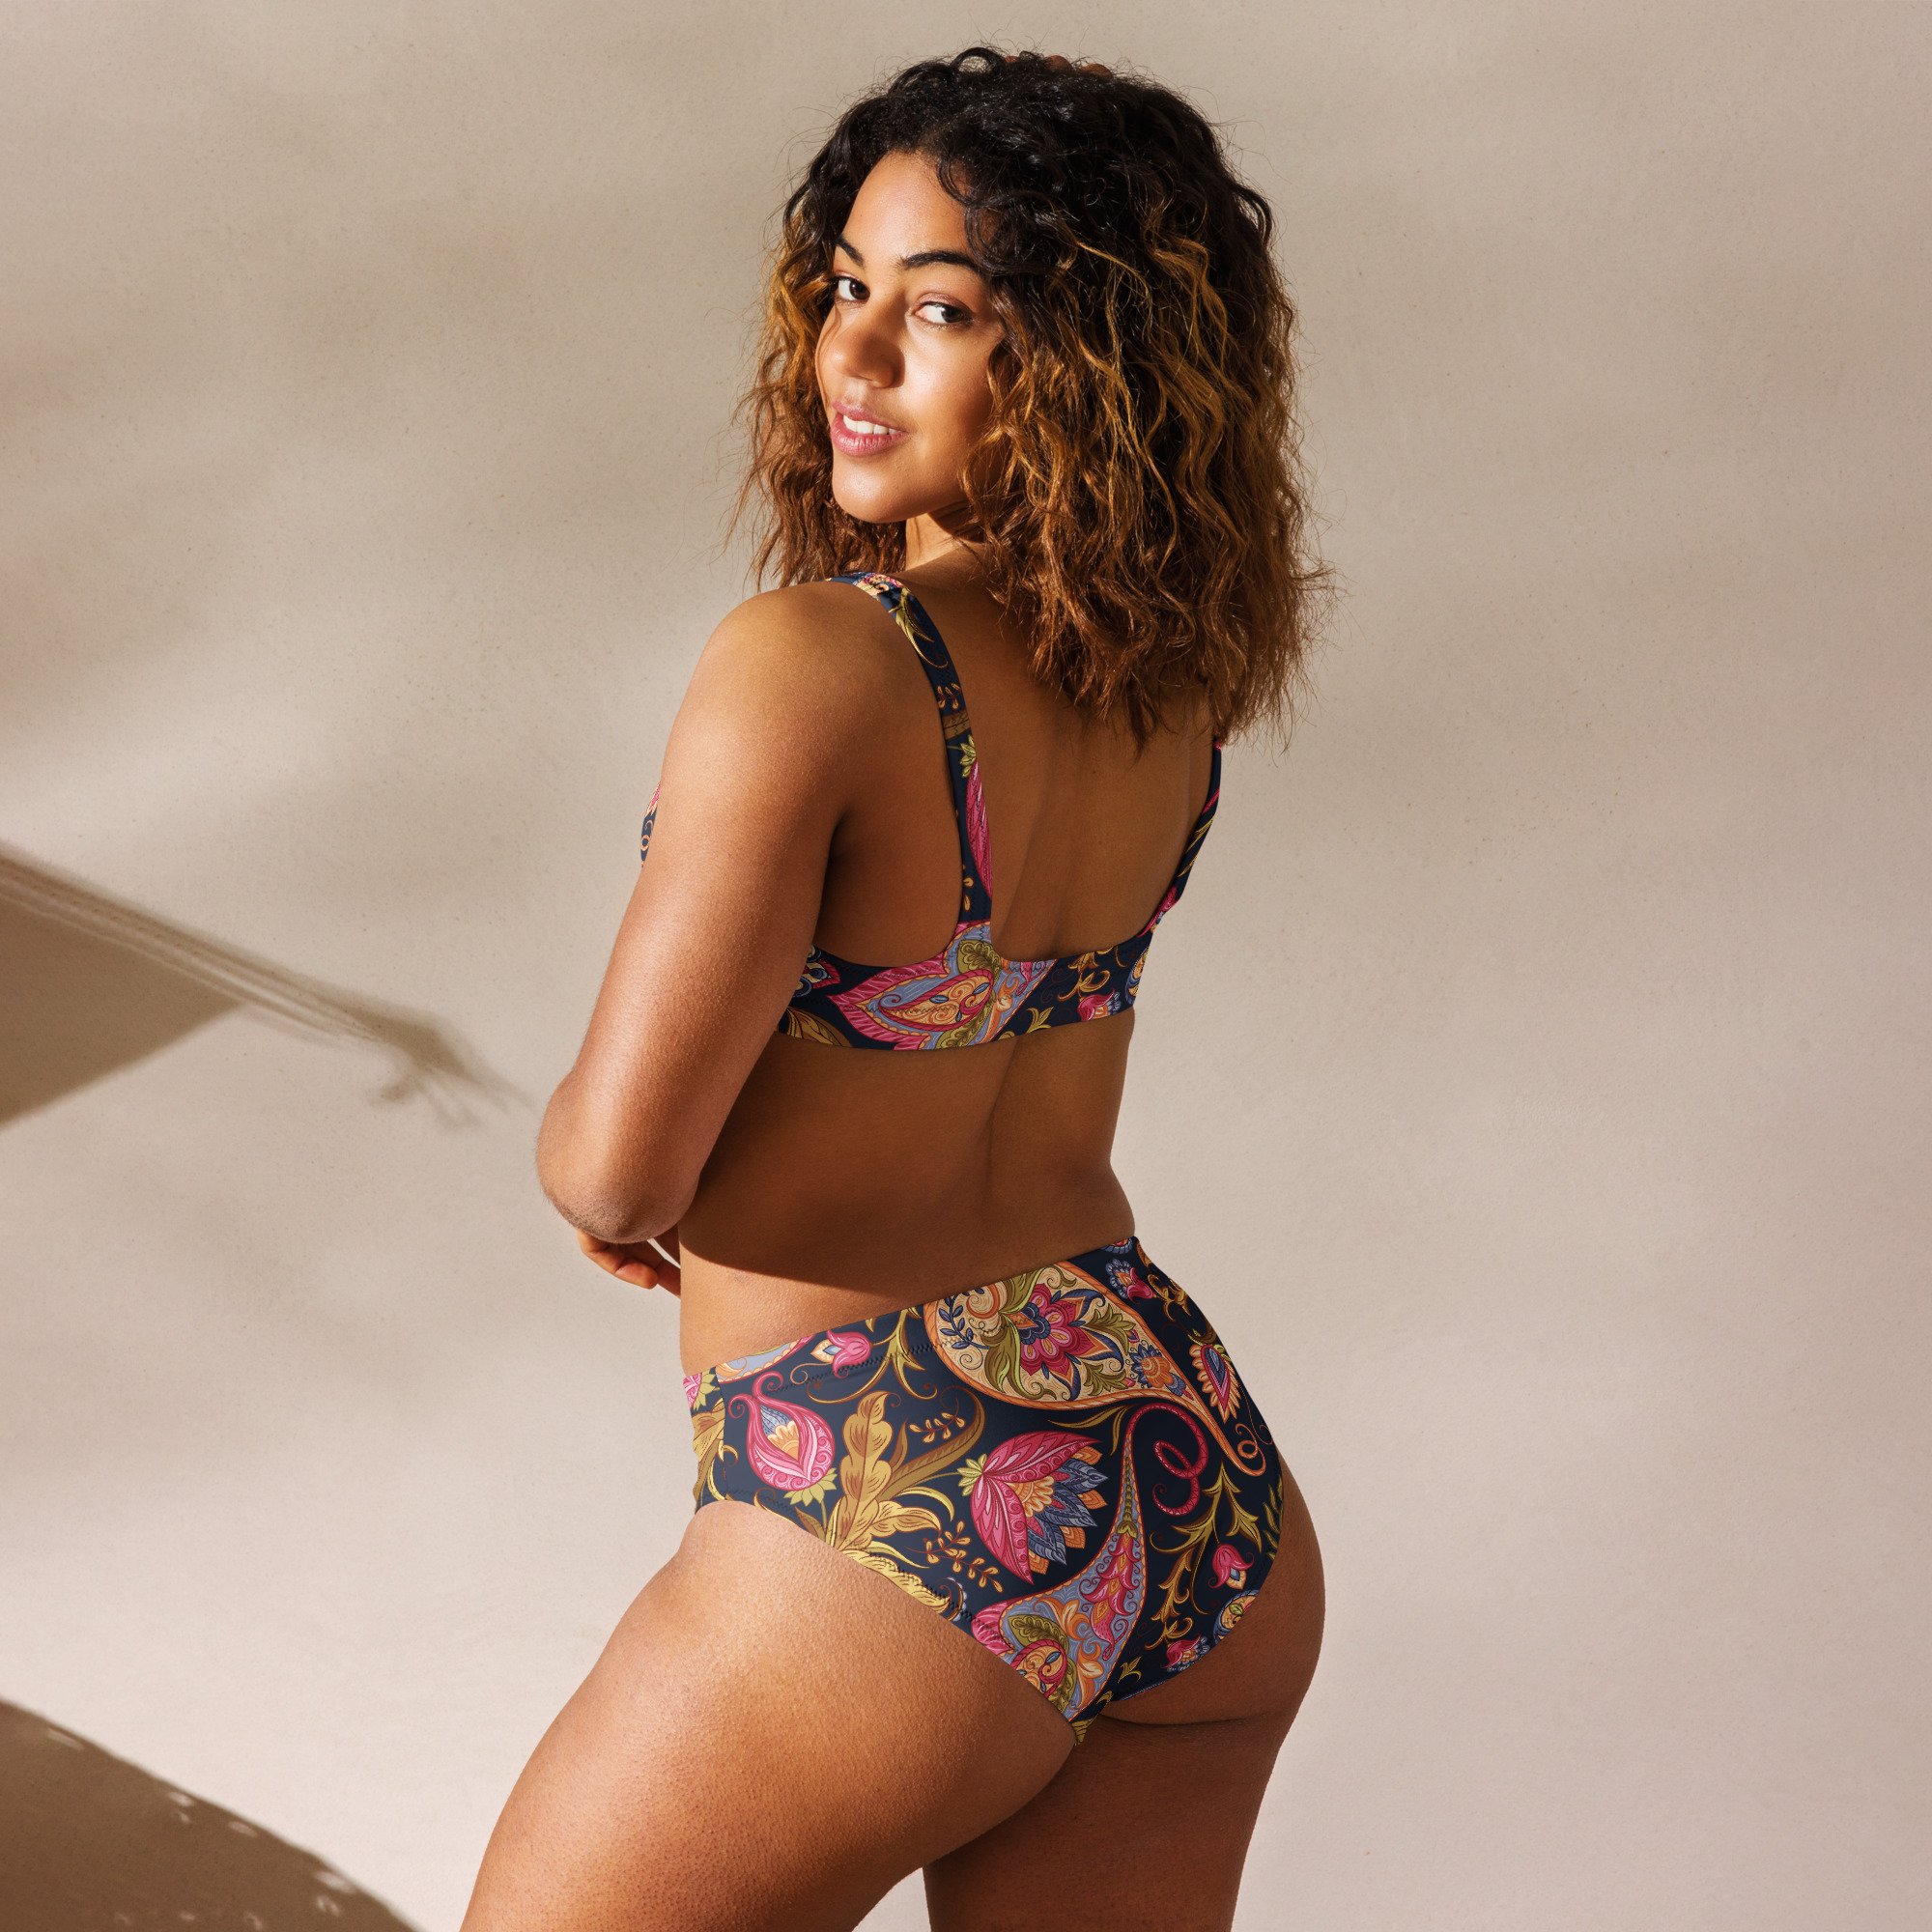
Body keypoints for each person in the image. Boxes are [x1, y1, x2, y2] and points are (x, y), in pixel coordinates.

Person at [462, 48, 1327, 1932]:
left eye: (938, 310)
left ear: (1087, 359)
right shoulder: (1166, 688)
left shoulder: (818, 665)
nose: (847, 355)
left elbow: (618, 1167)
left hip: (896, 1485)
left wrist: (602, 1165)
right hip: (1184, 1472)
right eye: (843, 288)